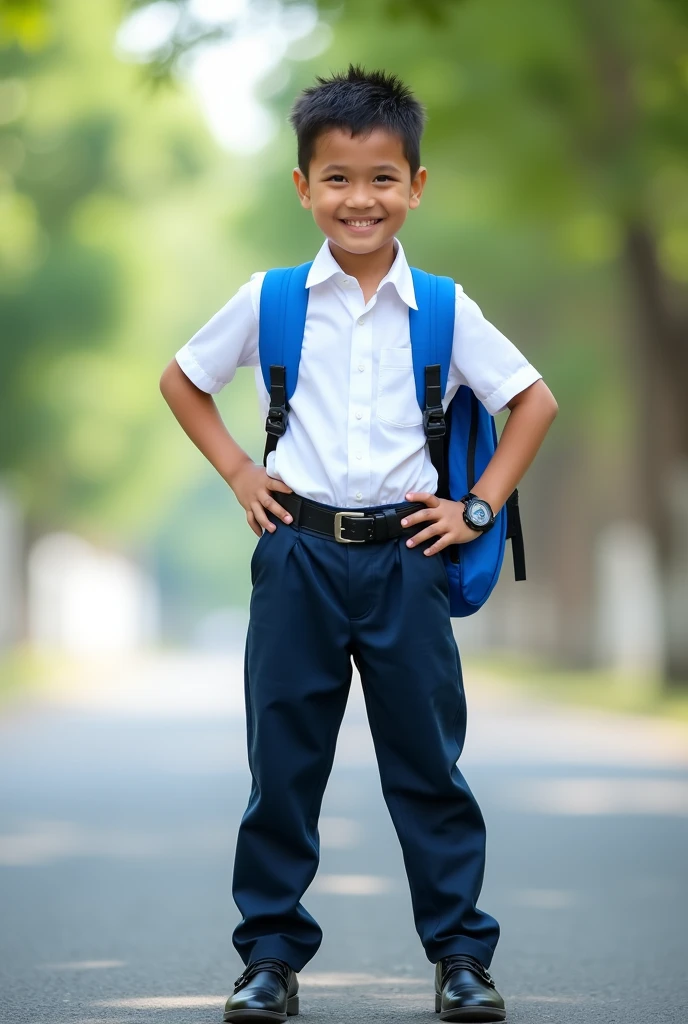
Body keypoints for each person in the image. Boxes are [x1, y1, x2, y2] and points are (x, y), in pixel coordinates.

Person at [160, 63, 558, 1024]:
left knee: (427, 765)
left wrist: (476, 508)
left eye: (382, 177)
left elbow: (533, 402)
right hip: (297, 554)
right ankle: (269, 959)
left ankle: (462, 956)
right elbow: (183, 380)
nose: (360, 199)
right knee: (284, 763)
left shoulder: (447, 308)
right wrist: (241, 475)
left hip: (407, 562)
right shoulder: (272, 299)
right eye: (336, 178)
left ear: (416, 186)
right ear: (303, 187)